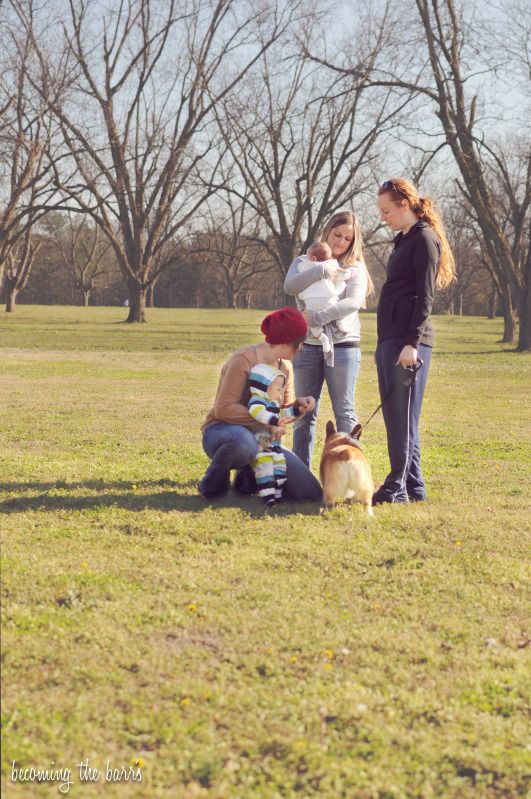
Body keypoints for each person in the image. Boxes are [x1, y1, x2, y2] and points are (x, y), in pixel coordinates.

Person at [373, 178, 456, 504]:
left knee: (400, 419)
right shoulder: (403, 240)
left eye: (386, 210)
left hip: (408, 342)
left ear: (404, 204)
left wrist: (411, 344)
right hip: (390, 339)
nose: (383, 217)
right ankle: (414, 487)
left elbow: (424, 298)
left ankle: (395, 489)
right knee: (402, 418)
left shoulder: (423, 239)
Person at [199, 307, 322, 502]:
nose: (302, 347)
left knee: (311, 493)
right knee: (243, 443)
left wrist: (298, 407)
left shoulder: (285, 367)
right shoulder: (243, 360)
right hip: (223, 431)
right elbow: (224, 408)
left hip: (263, 441)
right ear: (286, 341)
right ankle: (212, 486)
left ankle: (247, 480)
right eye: (300, 342)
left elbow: (280, 414)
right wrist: (267, 419)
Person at [284, 211, 373, 468]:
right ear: (328, 231)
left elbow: (353, 303)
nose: (341, 241)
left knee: (344, 413)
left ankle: (350, 471)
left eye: (347, 238)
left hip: (343, 347)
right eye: (337, 235)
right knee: (304, 414)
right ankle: (301, 476)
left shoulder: (355, 268)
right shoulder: (304, 261)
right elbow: (290, 287)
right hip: (307, 347)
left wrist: (316, 317)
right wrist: (323, 269)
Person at [247, 363, 300, 507]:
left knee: (280, 470)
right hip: (262, 447)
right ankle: (268, 497)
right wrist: (274, 421)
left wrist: (297, 411)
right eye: (278, 389)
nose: (281, 392)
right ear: (264, 388)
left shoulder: (274, 404)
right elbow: (257, 413)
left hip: (276, 447)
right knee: (265, 472)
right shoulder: (257, 401)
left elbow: (283, 415)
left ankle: (278, 494)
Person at [297, 241, 355, 357]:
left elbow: (296, 282)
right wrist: (350, 272)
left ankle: (322, 337)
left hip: (311, 302)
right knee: (339, 300)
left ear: (313, 258)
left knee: (311, 322)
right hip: (328, 301)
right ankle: (340, 322)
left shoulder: (304, 266)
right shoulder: (331, 266)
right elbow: (342, 275)